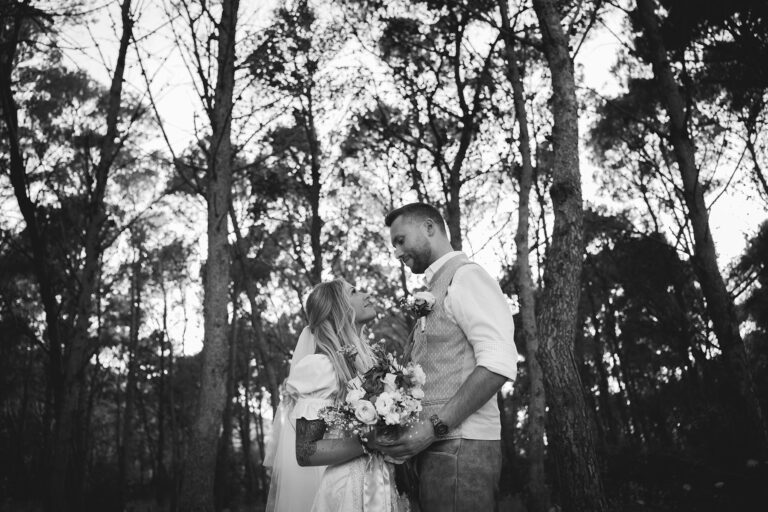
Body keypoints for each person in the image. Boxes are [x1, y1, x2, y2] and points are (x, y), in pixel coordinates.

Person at [373, 202, 518, 512]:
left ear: (429, 227)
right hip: (437, 451)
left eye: (400, 240)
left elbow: (498, 363)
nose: (397, 252)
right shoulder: (434, 287)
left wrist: (430, 429)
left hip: (461, 448)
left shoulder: (466, 277)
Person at [274, 278, 406, 512]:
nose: (367, 294)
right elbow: (306, 452)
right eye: (354, 291)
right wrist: (367, 442)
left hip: (383, 482)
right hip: (348, 492)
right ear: (338, 308)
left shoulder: (373, 365)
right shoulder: (321, 367)